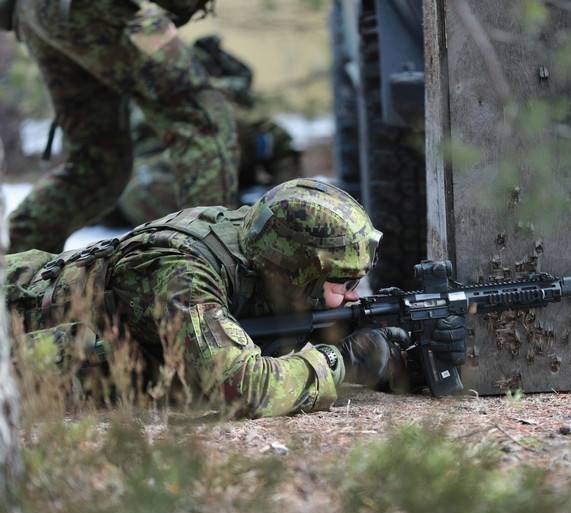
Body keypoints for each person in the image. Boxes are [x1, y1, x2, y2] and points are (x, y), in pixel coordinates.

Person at [5, 179, 467, 417]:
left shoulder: (265, 250)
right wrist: (342, 360)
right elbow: (244, 386)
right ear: (297, 273)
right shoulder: (182, 272)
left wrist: (407, 356)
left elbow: (279, 331)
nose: (353, 297)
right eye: (342, 284)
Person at [8, 0, 240, 253]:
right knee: (199, 116)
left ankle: (22, 269)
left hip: (35, 14)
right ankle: (213, 260)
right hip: (99, 9)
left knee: (99, 159)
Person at [108, 35, 300, 227]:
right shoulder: (147, 107)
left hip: (204, 198)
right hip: (155, 187)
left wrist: (282, 205)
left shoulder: (237, 118)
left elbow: (278, 144)